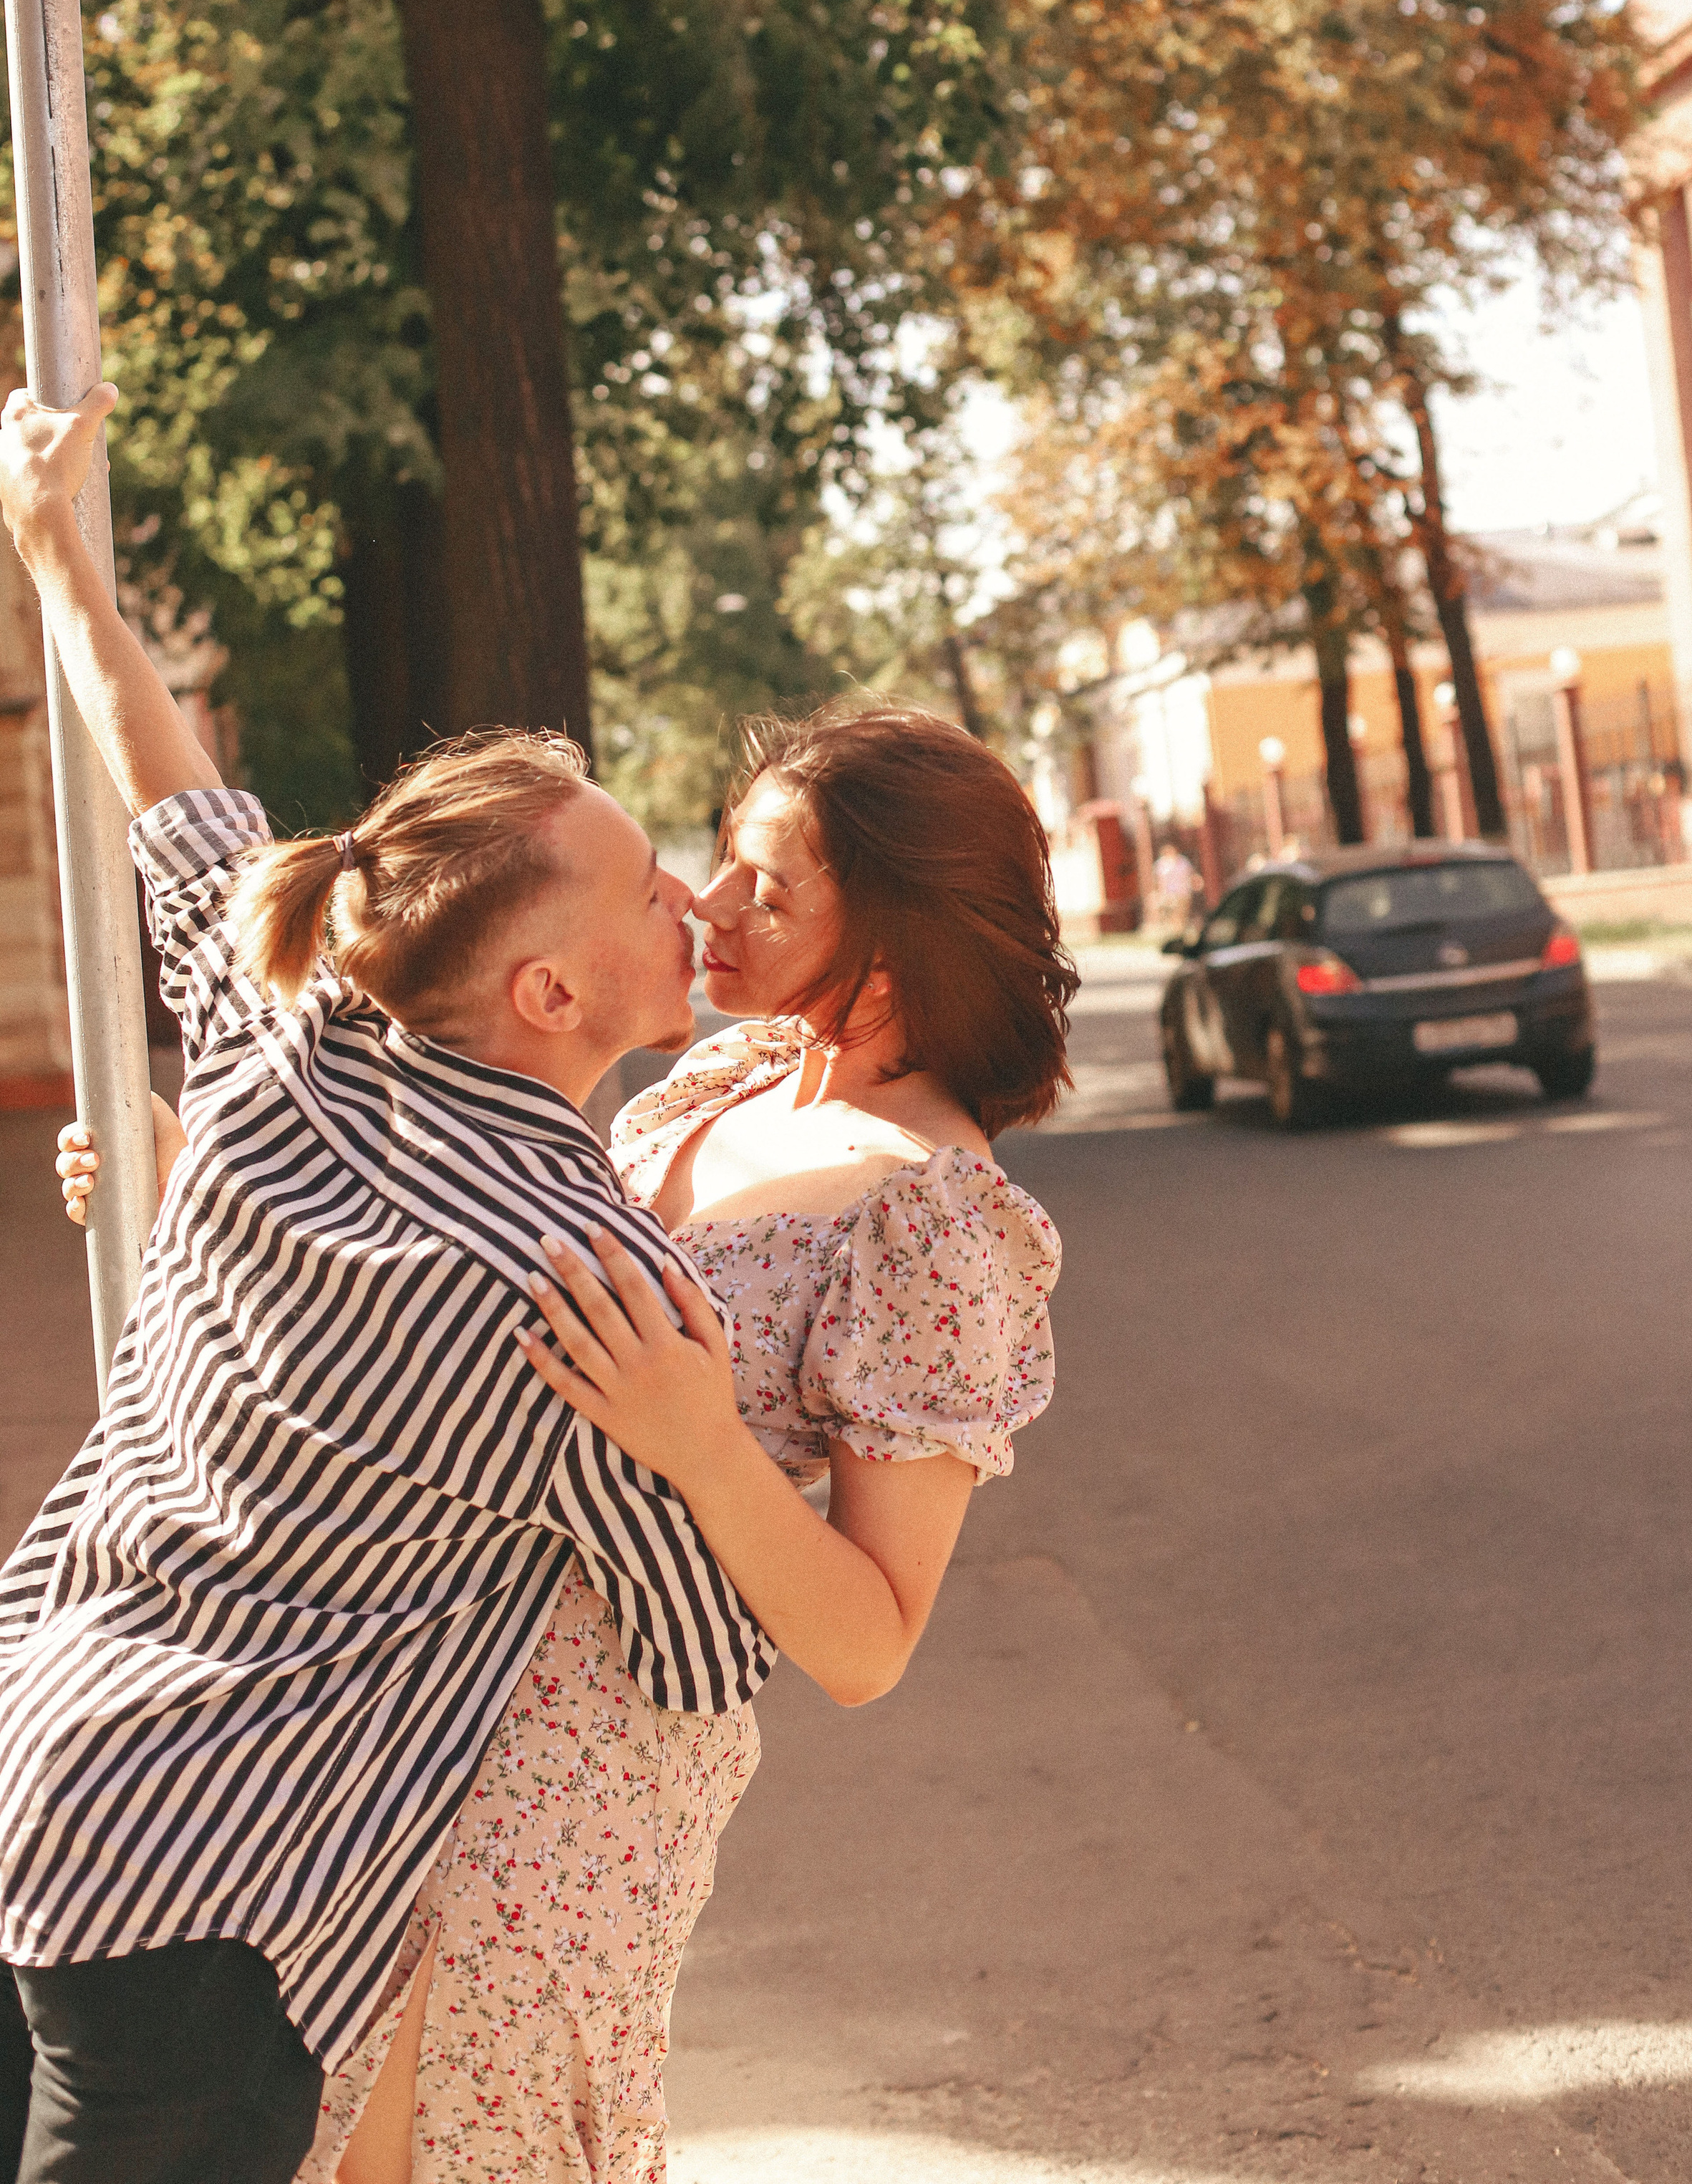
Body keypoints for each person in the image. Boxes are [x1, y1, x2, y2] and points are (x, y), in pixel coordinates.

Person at [62, 708, 1075, 2183]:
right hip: (384, 1694)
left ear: (903, 937)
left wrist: (705, 1449)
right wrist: (196, 1195)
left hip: (566, 1777)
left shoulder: (935, 1213)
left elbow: (869, 1642)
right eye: (724, 865)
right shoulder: (717, 1084)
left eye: (769, 893)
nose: (709, 907)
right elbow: (445, 1306)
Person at [0, 384, 774, 2184]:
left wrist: (59, 565)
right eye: (638, 883)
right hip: (202, 1905)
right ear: (550, 1003)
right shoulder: (577, 1281)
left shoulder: (289, 1044)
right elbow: (698, 1641)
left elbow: (174, 803)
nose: (685, 895)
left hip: (40, 1762)